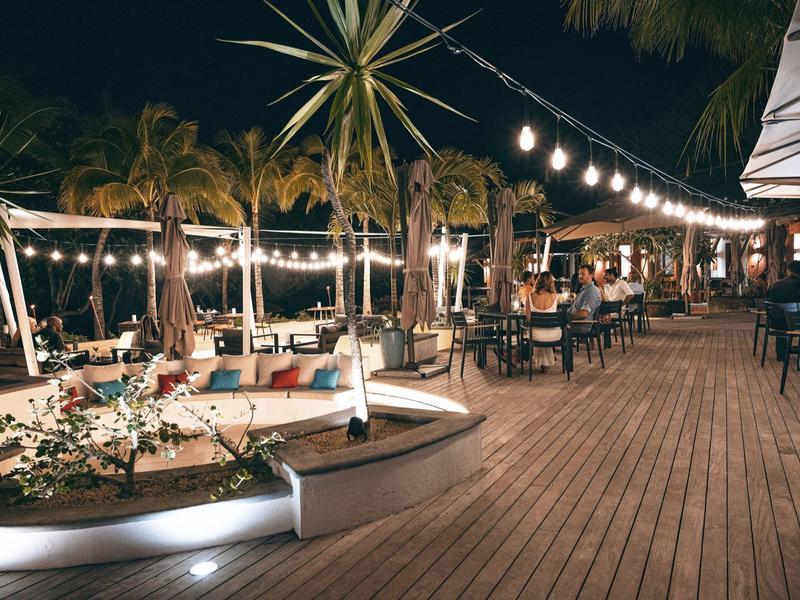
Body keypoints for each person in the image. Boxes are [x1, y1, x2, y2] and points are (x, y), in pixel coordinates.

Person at [525, 271, 561, 370]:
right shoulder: (555, 296)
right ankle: (546, 363)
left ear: (538, 281)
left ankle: (542, 362)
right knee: (545, 332)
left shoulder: (530, 296)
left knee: (537, 332)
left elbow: (529, 319)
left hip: (535, 335)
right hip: (553, 335)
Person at [767, 260, 800, 360]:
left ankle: (781, 354)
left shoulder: (776, 284)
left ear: (788, 271)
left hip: (775, 323)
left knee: (783, 315)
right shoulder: (798, 284)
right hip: (795, 324)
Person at [568, 264, 602, 333]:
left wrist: (567, 317)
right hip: (575, 323)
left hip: (581, 326)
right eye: (579, 274)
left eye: (583, 274)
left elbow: (584, 313)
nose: (580, 276)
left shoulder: (591, 291)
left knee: (556, 329)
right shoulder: (584, 289)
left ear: (591, 276)